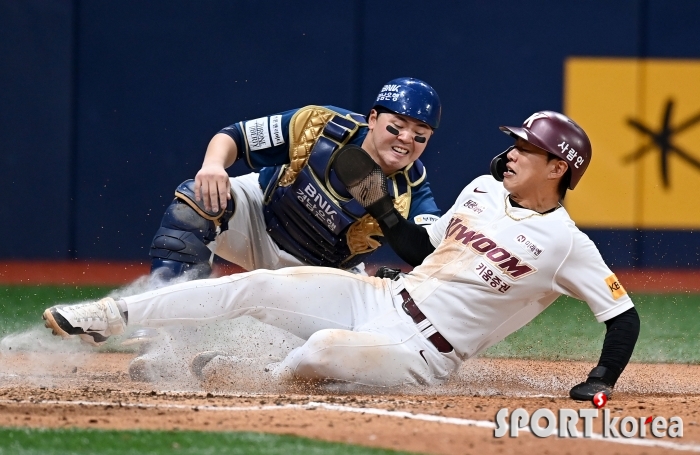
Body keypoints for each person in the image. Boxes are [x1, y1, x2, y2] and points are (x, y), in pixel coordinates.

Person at [42, 111, 640, 400]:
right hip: (381, 296)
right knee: (257, 288)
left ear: (558, 168)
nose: (508, 153)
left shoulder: (567, 244)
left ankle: (256, 374)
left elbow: (623, 315)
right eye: (512, 144)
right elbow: (419, 251)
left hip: (423, 352)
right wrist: (382, 209)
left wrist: (601, 379)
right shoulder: (482, 190)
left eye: (524, 148)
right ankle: (111, 316)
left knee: (320, 351)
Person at [149, 77, 442, 280]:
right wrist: (213, 165)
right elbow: (235, 136)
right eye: (396, 126)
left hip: (322, 273)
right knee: (196, 200)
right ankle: (162, 329)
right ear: (374, 119)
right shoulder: (320, 125)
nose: (406, 138)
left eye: (420, 135)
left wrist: (388, 215)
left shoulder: (413, 189)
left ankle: (226, 362)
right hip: (259, 217)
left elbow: (428, 253)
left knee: (332, 357)